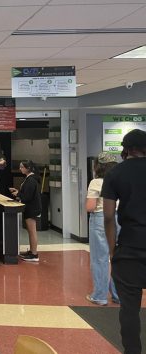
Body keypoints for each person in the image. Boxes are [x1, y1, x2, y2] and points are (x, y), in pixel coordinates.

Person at [102, 129, 146, 354]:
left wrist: (112, 250)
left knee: (129, 309)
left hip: (129, 249)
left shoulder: (115, 174)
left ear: (126, 149)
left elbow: (108, 216)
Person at [85, 151, 119, 306]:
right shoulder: (121, 180)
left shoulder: (96, 182)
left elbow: (90, 207)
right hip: (120, 219)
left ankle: (99, 295)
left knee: (100, 258)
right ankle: (118, 295)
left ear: (98, 166)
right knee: (117, 257)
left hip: (100, 219)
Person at [10, 160, 41, 262]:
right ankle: (32, 251)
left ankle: (34, 254)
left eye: (22, 167)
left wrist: (18, 195)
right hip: (30, 208)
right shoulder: (29, 179)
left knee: (32, 231)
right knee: (30, 231)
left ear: (28, 168)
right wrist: (18, 192)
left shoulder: (31, 180)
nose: (20, 169)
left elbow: (27, 196)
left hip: (31, 208)